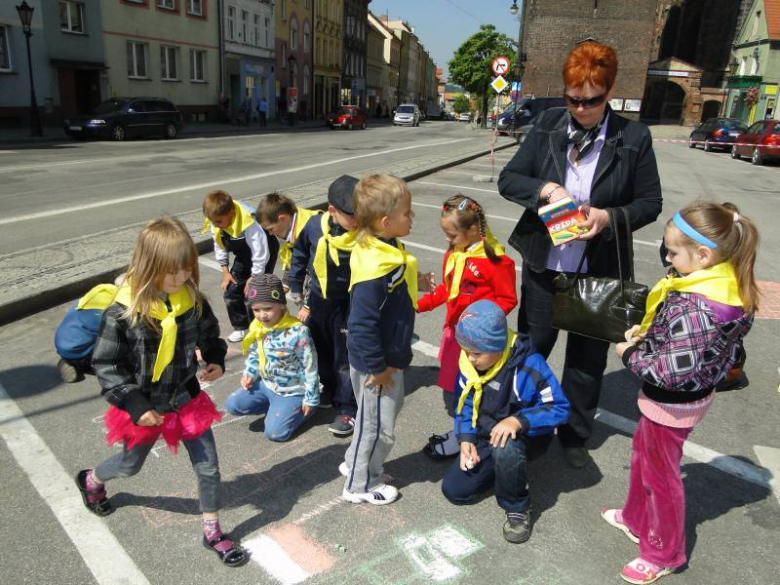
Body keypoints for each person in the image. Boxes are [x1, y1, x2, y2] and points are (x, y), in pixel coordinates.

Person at [498, 40, 663, 468]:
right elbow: (509, 178)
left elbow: (650, 202)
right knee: (531, 349)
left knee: (586, 361)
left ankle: (574, 433)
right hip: (543, 264)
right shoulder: (551, 124)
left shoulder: (634, 136)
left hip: (597, 267)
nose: (581, 108)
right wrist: (544, 189)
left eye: (591, 100)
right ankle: (521, 422)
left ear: (608, 92)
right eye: (573, 98)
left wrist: (609, 217)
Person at [74, 216, 246, 568]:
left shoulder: (192, 301)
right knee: (129, 465)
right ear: (149, 266)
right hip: (145, 405)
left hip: (186, 399)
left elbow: (210, 336)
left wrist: (213, 357)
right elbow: (106, 365)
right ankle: (91, 479)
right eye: (173, 272)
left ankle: (212, 531)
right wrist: (134, 403)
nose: (181, 278)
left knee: (209, 468)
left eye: (187, 269)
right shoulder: (124, 312)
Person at [604, 201, 757, 584]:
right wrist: (651, 335)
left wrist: (631, 353)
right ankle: (637, 519)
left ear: (703, 255)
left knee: (662, 480)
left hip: (671, 403)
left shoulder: (699, 305)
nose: (667, 258)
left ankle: (663, 552)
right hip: (681, 398)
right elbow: (687, 346)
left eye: (673, 251)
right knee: (642, 457)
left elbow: (668, 371)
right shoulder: (720, 284)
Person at [441, 300, 569, 543]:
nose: (469, 358)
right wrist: (466, 438)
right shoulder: (469, 362)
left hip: (527, 435)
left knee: (505, 447)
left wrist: (519, 420)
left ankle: (517, 506)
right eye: (465, 350)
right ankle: (504, 471)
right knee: (455, 491)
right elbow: (464, 404)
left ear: (498, 345)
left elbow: (559, 407)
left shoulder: (528, 365)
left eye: (476, 353)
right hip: (487, 432)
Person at [417, 195, 517, 459]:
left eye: (452, 235)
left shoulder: (496, 261)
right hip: (455, 332)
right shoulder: (455, 254)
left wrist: (482, 322)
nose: (448, 241)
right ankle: (463, 432)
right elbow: (448, 290)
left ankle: (469, 437)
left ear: (473, 230)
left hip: (478, 340)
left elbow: (507, 299)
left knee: (471, 387)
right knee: (456, 386)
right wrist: (421, 304)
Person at [340, 174, 417, 506]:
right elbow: (361, 325)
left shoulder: (385, 248)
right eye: (407, 212)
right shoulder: (376, 268)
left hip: (387, 358)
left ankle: (356, 461)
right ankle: (360, 483)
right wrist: (378, 369)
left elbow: (394, 289)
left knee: (378, 421)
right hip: (378, 364)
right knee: (377, 428)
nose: (412, 217)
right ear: (386, 222)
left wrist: (421, 283)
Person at [288, 176, 360, 435]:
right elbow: (300, 253)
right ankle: (328, 388)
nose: (358, 221)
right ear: (332, 211)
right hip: (319, 299)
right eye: (352, 215)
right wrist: (295, 284)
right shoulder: (314, 226)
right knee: (321, 350)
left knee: (344, 357)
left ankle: (346, 408)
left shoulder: (363, 231)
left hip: (348, 301)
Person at [223, 274, 319, 441]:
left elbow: (309, 367)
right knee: (232, 405)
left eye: (268, 308)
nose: (262, 315)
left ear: (281, 305)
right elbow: (255, 353)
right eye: (256, 310)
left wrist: (311, 398)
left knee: (275, 434)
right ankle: (277, 408)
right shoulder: (258, 327)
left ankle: (301, 410)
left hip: (292, 391)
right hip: (267, 385)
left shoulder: (297, 332)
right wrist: (250, 374)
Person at [202, 190, 278, 343]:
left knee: (255, 293)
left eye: (218, 222)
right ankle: (241, 327)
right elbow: (219, 245)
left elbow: (260, 252)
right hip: (243, 256)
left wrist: (254, 277)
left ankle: (260, 327)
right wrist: (225, 272)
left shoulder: (249, 223)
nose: (215, 225)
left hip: (264, 255)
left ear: (231, 213)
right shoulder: (215, 221)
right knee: (231, 291)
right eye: (212, 221)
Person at [54, 281, 123, 383]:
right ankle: (99, 369)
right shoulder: (112, 310)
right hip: (85, 354)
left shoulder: (93, 297)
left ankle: (71, 362)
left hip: (63, 346)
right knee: (122, 347)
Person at [255, 192, 322, 292]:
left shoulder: (312, 234)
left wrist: (307, 305)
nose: (270, 234)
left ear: (282, 219)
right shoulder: (296, 225)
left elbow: (319, 276)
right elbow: (293, 260)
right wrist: (285, 285)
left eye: (271, 229)